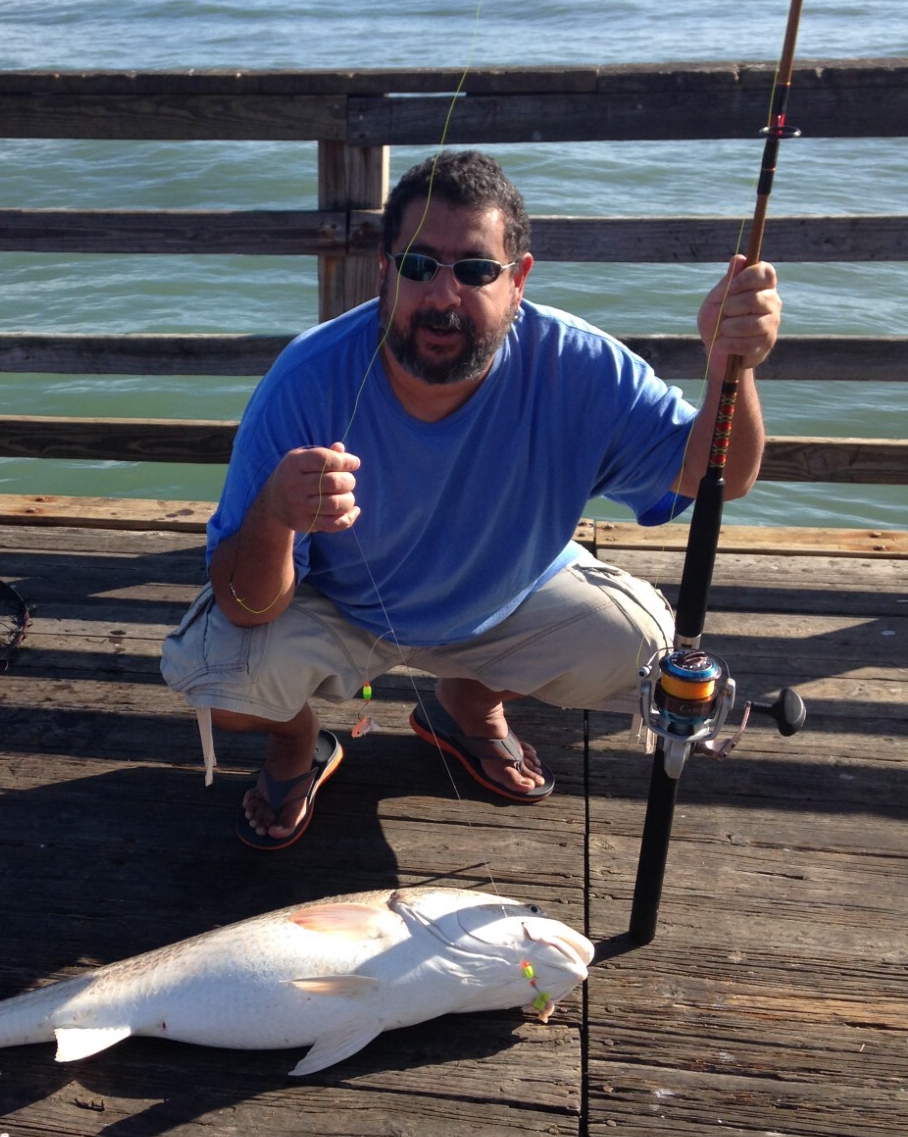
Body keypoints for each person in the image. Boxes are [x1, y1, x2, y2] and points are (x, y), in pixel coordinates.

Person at [161, 150, 781, 851]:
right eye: (418, 267)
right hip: (345, 606)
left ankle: (469, 701)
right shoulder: (305, 380)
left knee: (651, 654)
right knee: (217, 678)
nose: (442, 297)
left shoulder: (580, 366)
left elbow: (716, 478)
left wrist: (735, 368)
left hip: (508, 596)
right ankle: (297, 741)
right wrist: (275, 512)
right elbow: (247, 604)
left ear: (518, 280)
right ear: (383, 271)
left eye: (476, 270)